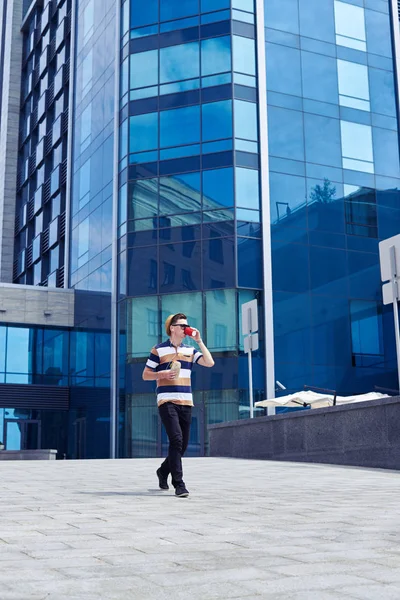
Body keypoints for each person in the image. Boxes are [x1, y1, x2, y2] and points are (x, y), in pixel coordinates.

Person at [142, 313, 214, 497]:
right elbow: (145, 374)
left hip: (186, 401)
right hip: (166, 400)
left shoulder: (190, 350)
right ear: (172, 328)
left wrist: (199, 341)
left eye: (186, 325)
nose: (185, 328)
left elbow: (209, 362)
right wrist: (161, 375)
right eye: (182, 325)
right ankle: (179, 483)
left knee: (182, 445)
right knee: (176, 440)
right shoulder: (158, 350)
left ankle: (163, 471)